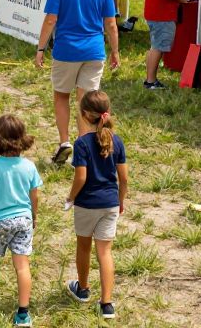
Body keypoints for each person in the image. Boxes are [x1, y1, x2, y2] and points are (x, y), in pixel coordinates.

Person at [34, 0, 119, 164]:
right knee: (87, 102)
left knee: (61, 96)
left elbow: (51, 20)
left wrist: (40, 48)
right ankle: (83, 148)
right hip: (94, 51)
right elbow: (111, 24)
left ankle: (64, 142)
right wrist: (115, 52)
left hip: (66, 50)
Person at [0, 114, 42, 327]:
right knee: (22, 266)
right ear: (22, 138)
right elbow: (35, 196)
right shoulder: (29, 166)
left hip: (0, 221)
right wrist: (33, 216)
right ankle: (23, 313)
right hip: (23, 220)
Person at [65, 90, 128, 320]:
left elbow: (80, 177)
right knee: (105, 252)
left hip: (87, 204)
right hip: (110, 203)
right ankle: (107, 304)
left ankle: (82, 289)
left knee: (83, 246)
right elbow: (124, 179)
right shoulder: (117, 141)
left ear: (84, 115)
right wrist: (120, 201)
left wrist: (70, 197)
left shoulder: (81, 143)